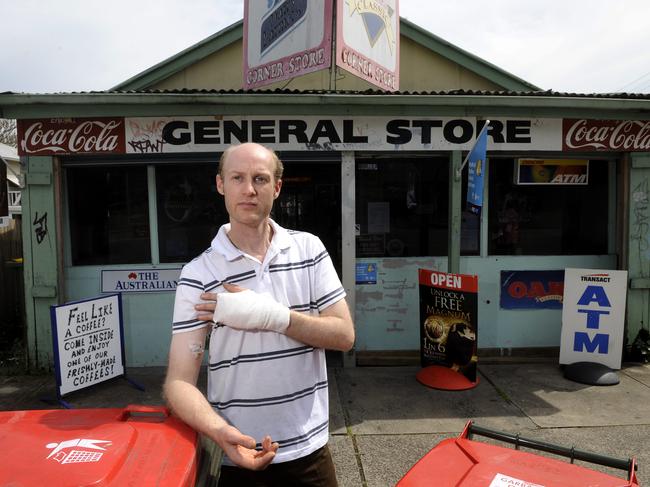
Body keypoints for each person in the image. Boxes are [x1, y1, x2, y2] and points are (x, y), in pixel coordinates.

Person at [163, 142, 355, 486]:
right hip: (238, 451)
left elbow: (344, 336)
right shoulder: (198, 273)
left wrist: (273, 316)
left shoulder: (309, 249)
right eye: (237, 178)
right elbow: (178, 383)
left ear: (277, 187)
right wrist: (220, 432)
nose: (249, 189)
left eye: (260, 179)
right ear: (221, 185)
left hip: (308, 453)